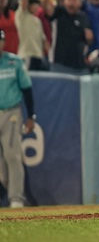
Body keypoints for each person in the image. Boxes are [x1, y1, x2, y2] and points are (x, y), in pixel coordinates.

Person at [0, 29, 35, 209]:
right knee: (2, 166)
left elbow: (27, 89)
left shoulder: (14, 62)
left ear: (3, 43)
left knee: (12, 155)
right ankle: (10, 192)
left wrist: (31, 116)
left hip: (11, 112)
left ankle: (16, 199)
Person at [43, 0, 91, 74]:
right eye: (69, 0)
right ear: (64, 1)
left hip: (79, 65)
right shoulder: (59, 12)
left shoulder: (83, 16)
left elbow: (88, 39)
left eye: (74, 0)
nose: (71, 3)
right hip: (60, 63)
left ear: (80, 3)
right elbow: (48, 11)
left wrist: (89, 37)